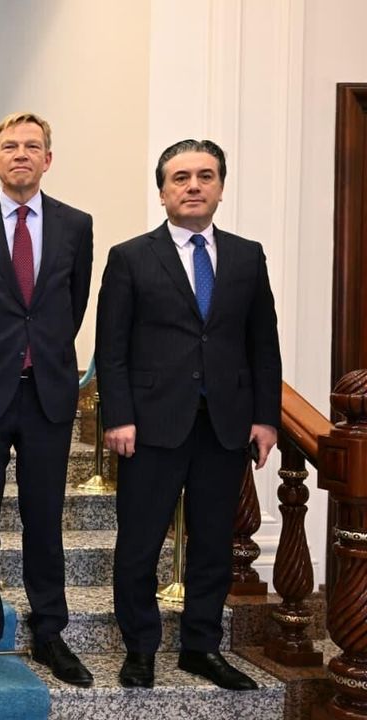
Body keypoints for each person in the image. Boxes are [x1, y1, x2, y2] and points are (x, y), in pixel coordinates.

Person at [98, 139, 280, 691]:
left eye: (205, 176)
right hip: (151, 424)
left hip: (225, 424)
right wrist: (118, 417)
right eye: (180, 178)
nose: (193, 186)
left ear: (221, 187)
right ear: (162, 192)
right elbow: (112, 347)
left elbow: (263, 343)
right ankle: (140, 648)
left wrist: (266, 417)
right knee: (139, 542)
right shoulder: (130, 256)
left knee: (213, 543)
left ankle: (201, 647)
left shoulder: (247, 256)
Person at [0, 112, 94, 688]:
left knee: (44, 519)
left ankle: (49, 631)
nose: (21, 154)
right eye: (10, 146)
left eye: (32, 146)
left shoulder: (76, 226)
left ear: (48, 159)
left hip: (47, 395)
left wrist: (39, 354)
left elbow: (71, 306)